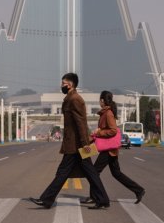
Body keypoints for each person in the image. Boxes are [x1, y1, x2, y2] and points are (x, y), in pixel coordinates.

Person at [30, 73, 111, 210]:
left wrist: (85, 144)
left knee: (69, 172)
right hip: (74, 145)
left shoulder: (75, 99)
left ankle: (47, 199)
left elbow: (81, 123)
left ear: (71, 84)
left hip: (77, 145)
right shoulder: (70, 98)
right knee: (84, 172)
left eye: (63, 83)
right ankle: (102, 199)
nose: (61, 86)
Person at [80, 91, 145, 206]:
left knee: (94, 172)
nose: (99, 102)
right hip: (109, 149)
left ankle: (94, 197)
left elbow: (113, 130)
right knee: (116, 173)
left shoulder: (108, 113)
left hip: (108, 149)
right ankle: (138, 190)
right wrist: (88, 140)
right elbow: (101, 132)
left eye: (100, 100)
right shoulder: (105, 113)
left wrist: (99, 132)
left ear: (102, 101)